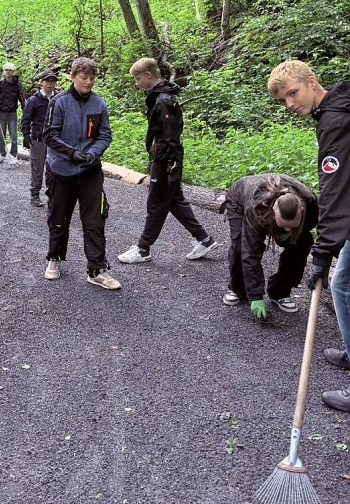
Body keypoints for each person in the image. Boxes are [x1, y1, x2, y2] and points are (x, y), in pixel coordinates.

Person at [268, 60, 350, 413]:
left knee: (345, 285)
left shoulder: (335, 121)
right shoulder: (337, 109)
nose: (290, 104)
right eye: (284, 99)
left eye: (293, 93)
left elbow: (335, 189)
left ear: (312, 82)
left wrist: (323, 250)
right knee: (342, 284)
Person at [118, 58, 220, 265]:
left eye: (137, 78)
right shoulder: (159, 97)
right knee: (174, 200)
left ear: (148, 75)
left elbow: (170, 136)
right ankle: (204, 239)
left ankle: (142, 248)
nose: (136, 83)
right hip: (164, 158)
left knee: (156, 204)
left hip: (165, 161)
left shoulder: (163, 100)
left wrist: (170, 165)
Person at [42, 57, 121, 290]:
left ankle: (97, 270)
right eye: (83, 77)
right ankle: (54, 258)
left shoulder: (99, 104)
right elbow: (49, 135)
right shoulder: (59, 102)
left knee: (95, 218)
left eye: (92, 78)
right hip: (61, 169)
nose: (88, 82)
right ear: (73, 77)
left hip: (90, 170)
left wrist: (93, 153)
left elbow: (104, 135)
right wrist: (71, 153)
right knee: (59, 217)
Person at [222, 174, 318, 319]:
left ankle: (280, 292)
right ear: (274, 213)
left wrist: (288, 232)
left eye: (290, 227)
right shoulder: (258, 207)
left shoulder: (310, 202)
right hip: (239, 200)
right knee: (241, 247)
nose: (286, 230)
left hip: (285, 212)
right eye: (282, 226)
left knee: (302, 244)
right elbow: (250, 252)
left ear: (302, 212)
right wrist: (256, 296)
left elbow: (311, 226)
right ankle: (238, 289)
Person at [21, 70, 58, 207]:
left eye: (53, 81)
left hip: (55, 140)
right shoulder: (34, 100)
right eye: (47, 81)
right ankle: (35, 195)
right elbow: (26, 119)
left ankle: (52, 195)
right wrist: (26, 135)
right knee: (37, 167)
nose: (50, 84)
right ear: (41, 82)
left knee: (54, 168)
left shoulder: (58, 99)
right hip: (38, 139)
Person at [0, 62, 25, 166]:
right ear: (4, 71)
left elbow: (21, 97)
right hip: (1, 112)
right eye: (6, 70)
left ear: (13, 71)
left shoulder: (17, 84)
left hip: (12, 113)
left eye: (10, 70)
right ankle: (2, 154)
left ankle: (14, 155)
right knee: (1, 135)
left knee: (14, 136)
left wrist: (25, 110)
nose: (8, 72)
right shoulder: (0, 83)